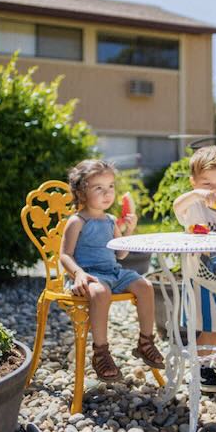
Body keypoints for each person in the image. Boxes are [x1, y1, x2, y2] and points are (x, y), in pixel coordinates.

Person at [60, 159, 164, 382]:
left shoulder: (109, 221)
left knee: (145, 286)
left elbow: (121, 254)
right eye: (99, 188)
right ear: (81, 191)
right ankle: (101, 353)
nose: (107, 193)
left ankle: (146, 342)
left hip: (113, 272)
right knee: (100, 293)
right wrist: (77, 273)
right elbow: (64, 255)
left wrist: (129, 231)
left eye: (111, 187)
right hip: (88, 274)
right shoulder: (77, 221)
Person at [173, 146, 216, 393]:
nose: (214, 189)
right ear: (194, 183)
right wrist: (196, 194)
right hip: (199, 279)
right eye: (206, 183)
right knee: (208, 328)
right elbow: (177, 205)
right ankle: (200, 369)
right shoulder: (193, 207)